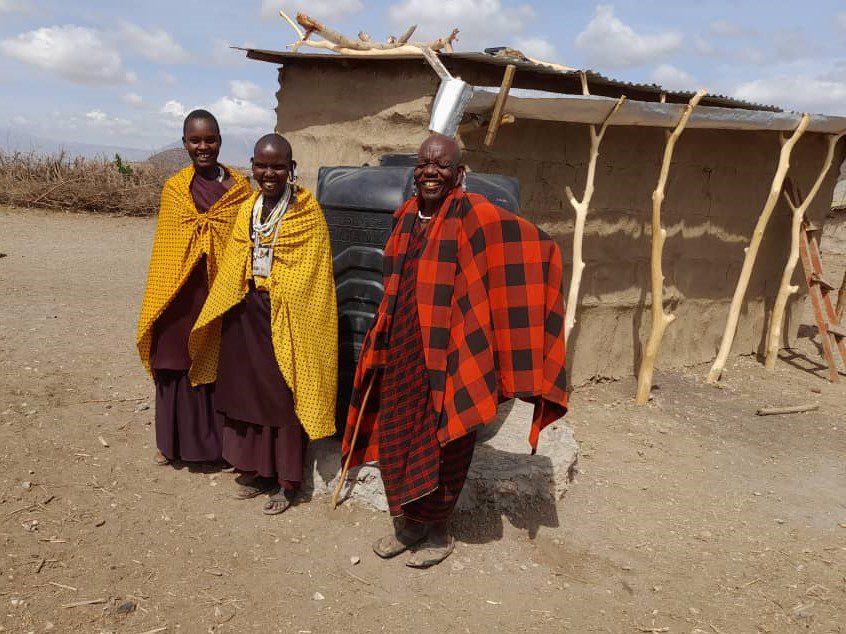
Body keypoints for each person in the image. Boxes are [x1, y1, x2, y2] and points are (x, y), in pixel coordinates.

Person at [341, 133, 569, 568]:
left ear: (458, 173)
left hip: (451, 356)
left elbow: (538, 246)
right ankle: (407, 524)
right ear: (415, 170)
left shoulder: (476, 216)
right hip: (404, 351)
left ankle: (439, 530)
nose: (431, 171)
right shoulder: (406, 216)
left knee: (447, 445)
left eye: (442, 165)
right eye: (425, 163)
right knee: (396, 437)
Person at [189, 133, 337, 515]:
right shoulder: (248, 207)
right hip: (247, 311)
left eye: (277, 166)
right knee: (248, 392)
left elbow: (312, 272)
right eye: (261, 165)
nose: (268, 173)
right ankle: (256, 469)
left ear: (291, 169)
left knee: (282, 396)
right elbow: (238, 256)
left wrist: (281, 292)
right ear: (251, 166)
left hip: (288, 316)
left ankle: (287, 482)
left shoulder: (306, 210)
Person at [137, 109, 251, 467]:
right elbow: (167, 249)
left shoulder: (239, 190)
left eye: (210, 139)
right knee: (173, 362)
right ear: (185, 142)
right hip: (179, 294)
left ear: (220, 140)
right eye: (195, 140)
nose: (204, 147)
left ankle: (216, 446)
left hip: (219, 292)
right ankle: (169, 444)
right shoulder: (175, 189)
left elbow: (243, 244)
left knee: (216, 362)